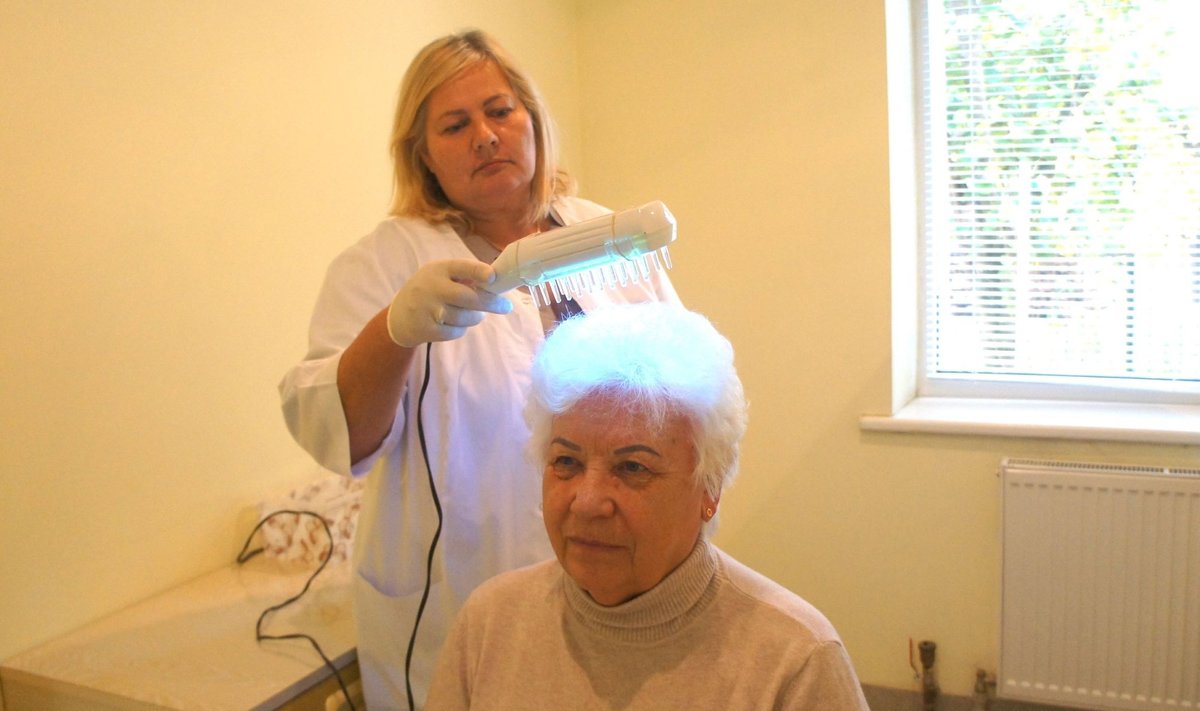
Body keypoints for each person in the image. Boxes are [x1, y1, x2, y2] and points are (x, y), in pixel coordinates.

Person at [277, 30, 678, 710]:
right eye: (455, 125)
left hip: (621, 575)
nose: (486, 136)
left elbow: (679, 393)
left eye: (500, 111)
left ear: (532, 117)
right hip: (459, 597)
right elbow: (338, 433)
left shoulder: (603, 235)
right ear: (424, 155)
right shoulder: (381, 263)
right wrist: (395, 329)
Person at [424, 303, 870, 710]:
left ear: (709, 488)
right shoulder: (490, 623)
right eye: (566, 462)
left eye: (633, 467)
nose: (588, 501)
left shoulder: (795, 662)